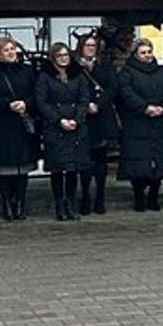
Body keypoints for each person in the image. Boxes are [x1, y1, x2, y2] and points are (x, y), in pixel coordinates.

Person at [118, 38, 163, 211]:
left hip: (160, 123)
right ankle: (139, 196)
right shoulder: (127, 72)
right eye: (143, 53)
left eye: (149, 52)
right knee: (138, 165)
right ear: (135, 54)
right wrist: (144, 108)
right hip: (137, 123)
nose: (147, 55)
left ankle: (153, 196)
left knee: (159, 164)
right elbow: (126, 93)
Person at [0, 37, 40, 222]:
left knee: (22, 168)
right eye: (6, 50)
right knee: (4, 168)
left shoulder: (28, 71)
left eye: (13, 48)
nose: (11, 52)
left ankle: (20, 203)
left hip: (23, 125)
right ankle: (7, 203)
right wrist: (8, 104)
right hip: (2, 125)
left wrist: (26, 103)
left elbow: (37, 94)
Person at [36, 42, 91, 222]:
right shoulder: (45, 77)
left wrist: (77, 119)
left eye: (66, 55)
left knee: (73, 168)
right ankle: (60, 204)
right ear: (53, 58)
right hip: (55, 127)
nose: (64, 59)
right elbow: (42, 102)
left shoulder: (78, 74)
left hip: (76, 126)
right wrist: (59, 120)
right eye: (59, 56)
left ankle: (71, 205)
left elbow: (84, 99)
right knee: (58, 169)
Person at [77, 32, 119, 215]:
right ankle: (85, 196)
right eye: (87, 45)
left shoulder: (105, 66)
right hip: (82, 117)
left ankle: (100, 197)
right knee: (85, 161)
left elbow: (112, 87)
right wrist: (85, 105)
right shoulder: (74, 67)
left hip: (101, 117)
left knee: (100, 160)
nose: (91, 49)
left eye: (93, 46)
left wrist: (98, 104)